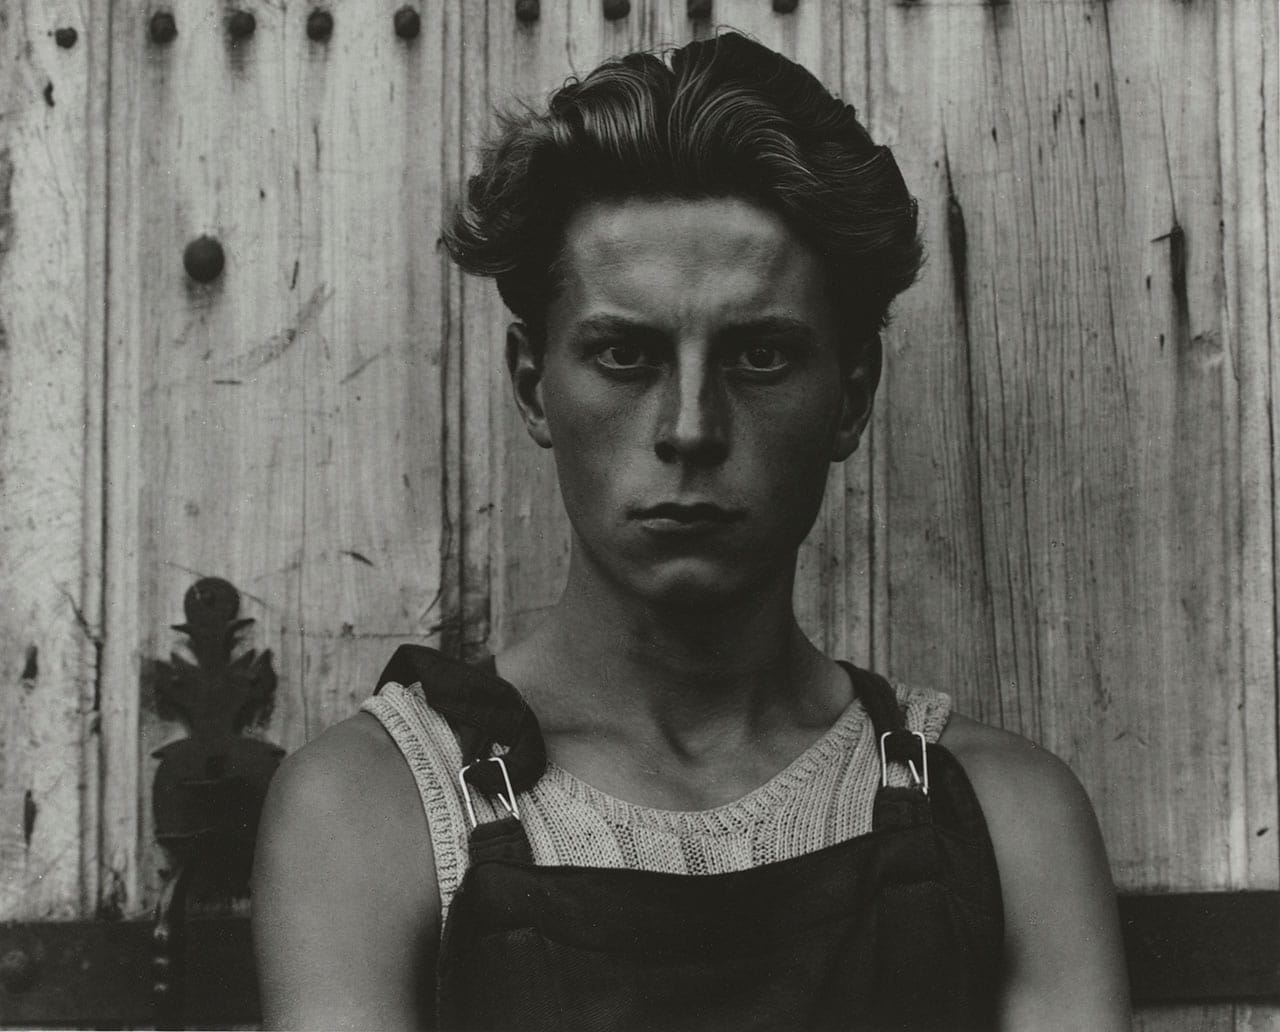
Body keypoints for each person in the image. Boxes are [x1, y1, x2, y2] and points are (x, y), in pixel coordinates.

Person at [252, 32, 1130, 1030]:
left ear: (849, 397)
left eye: (759, 356)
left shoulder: (1008, 819)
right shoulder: (374, 812)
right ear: (532, 385)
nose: (689, 428)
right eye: (624, 354)